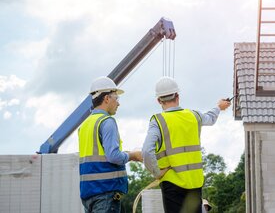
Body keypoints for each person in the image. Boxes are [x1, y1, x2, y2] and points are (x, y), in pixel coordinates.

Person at [142, 76, 231, 213]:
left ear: (159, 100)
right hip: (194, 183)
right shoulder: (194, 116)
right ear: (177, 96)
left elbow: (147, 151)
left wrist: (157, 173)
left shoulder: (158, 121)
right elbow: (210, 118)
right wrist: (219, 107)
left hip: (172, 184)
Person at [79, 76, 142, 213]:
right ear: (107, 98)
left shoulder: (85, 125)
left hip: (88, 193)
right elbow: (113, 156)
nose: (118, 103)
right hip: (106, 192)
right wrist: (133, 155)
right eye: (116, 98)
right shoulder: (107, 122)